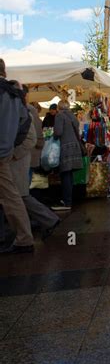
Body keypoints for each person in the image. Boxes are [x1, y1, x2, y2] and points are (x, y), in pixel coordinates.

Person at [2, 87, 60, 252]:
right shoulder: (23, 109)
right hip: (18, 159)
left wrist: (12, 155)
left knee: (21, 195)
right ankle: (45, 221)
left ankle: (45, 222)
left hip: (18, 160)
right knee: (21, 195)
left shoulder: (25, 111)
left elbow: (32, 138)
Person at [0, 59, 35, 253]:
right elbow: (25, 122)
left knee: (10, 195)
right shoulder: (14, 93)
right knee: (10, 194)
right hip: (5, 150)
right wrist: (11, 143)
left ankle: (24, 237)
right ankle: (23, 237)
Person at [51, 100, 83, 211]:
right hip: (75, 147)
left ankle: (67, 202)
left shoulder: (60, 116)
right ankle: (68, 199)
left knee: (65, 175)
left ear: (59, 107)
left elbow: (58, 132)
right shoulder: (72, 116)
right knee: (69, 175)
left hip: (66, 148)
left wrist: (53, 135)